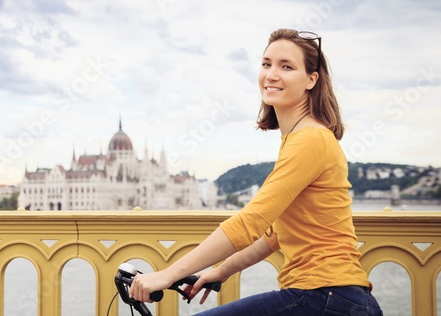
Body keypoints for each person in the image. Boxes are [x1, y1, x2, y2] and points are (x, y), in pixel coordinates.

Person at [130, 28, 383, 315]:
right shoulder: (299, 138)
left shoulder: (311, 139)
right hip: (338, 299)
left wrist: (168, 275)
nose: (272, 74)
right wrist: (220, 271)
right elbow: (274, 235)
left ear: (311, 79)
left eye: (286, 66)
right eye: (267, 64)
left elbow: (249, 222)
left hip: (325, 297)